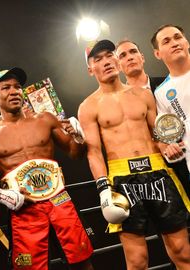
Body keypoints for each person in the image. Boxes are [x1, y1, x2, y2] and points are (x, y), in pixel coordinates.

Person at [78, 39, 190, 269]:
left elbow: (158, 135)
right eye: (98, 59)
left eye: (110, 55)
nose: (106, 61)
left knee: (182, 252)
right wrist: (103, 190)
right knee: (137, 260)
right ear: (90, 69)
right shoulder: (88, 106)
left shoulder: (144, 95)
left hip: (159, 172)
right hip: (122, 180)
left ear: (117, 60)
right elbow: (94, 152)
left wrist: (168, 147)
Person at [0, 67, 94, 270]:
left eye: (17, 87)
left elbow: (75, 153)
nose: (14, 91)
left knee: (82, 262)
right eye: (6, 88)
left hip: (59, 201)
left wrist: (79, 136)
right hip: (24, 210)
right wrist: (3, 196)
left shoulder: (45, 119)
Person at [116, 39, 190, 198]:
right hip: (150, 174)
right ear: (118, 65)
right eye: (122, 55)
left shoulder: (169, 86)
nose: (129, 57)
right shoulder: (119, 101)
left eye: (133, 52)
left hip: (184, 160)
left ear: (142, 57)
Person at [151, 24, 190, 175]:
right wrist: (172, 149)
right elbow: (169, 137)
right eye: (166, 41)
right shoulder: (161, 92)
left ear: (187, 42)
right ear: (157, 54)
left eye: (178, 37)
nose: (174, 43)